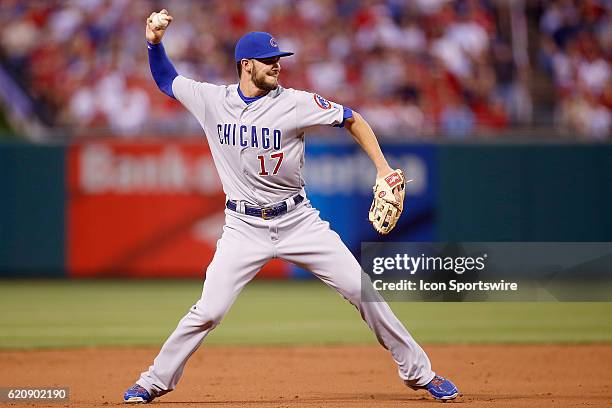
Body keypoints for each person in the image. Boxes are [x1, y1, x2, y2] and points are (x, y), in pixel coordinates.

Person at [123, 9, 459, 404]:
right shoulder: (212, 100)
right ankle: (153, 380)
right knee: (208, 311)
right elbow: (167, 79)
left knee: (361, 289)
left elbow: (352, 118)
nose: (277, 66)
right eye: (269, 61)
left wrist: (383, 167)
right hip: (242, 227)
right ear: (245, 65)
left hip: (299, 220)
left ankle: (420, 373)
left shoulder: (296, 103)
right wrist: (154, 42)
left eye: (279, 59)